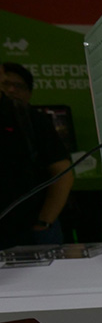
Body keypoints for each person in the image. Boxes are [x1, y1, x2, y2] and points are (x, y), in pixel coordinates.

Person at [0, 61, 74, 249]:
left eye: (18, 86)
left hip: (27, 229)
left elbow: (62, 173)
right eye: (7, 84)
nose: (11, 90)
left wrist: (44, 222)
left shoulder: (31, 120)